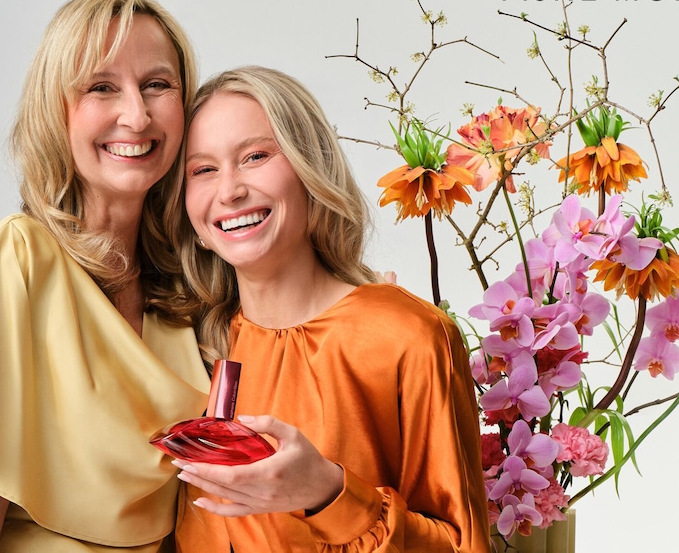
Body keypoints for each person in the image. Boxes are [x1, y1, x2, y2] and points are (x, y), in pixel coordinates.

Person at [0, 0, 210, 553]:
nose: (136, 114)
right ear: (56, 109)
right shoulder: (18, 258)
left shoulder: (189, 290)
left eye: (157, 85)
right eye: (102, 87)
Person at [169, 66, 490, 552]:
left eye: (255, 156)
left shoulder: (412, 337)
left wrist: (329, 494)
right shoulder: (188, 348)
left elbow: (463, 546)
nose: (229, 190)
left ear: (310, 169)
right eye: (203, 169)